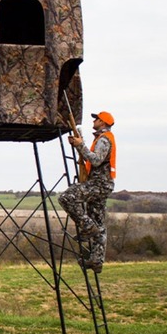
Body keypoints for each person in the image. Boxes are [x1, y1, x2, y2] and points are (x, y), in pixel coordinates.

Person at [58, 111, 116, 273]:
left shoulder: (104, 139)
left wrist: (80, 145)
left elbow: (96, 160)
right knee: (99, 223)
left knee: (66, 197)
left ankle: (87, 227)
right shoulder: (102, 138)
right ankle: (96, 261)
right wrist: (80, 144)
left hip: (98, 184)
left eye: (97, 119)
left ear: (103, 122)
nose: (94, 121)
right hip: (102, 185)